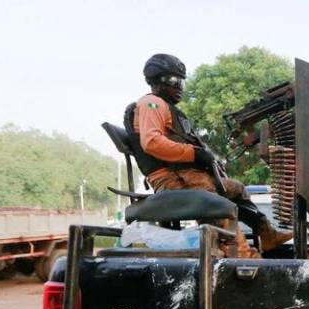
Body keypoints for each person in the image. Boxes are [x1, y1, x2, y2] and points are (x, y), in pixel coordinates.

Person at [125, 53, 293, 253]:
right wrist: (194, 154)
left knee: (238, 189)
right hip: (173, 178)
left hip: (188, 175)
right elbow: (152, 142)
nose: (179, 86)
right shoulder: (151, 103)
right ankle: (241, 254)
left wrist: (207, 158)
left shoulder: (169, 109)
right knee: (214, 202)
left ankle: (267, 235)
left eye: (181, 81)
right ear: (156, 81)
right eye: (173, 80)